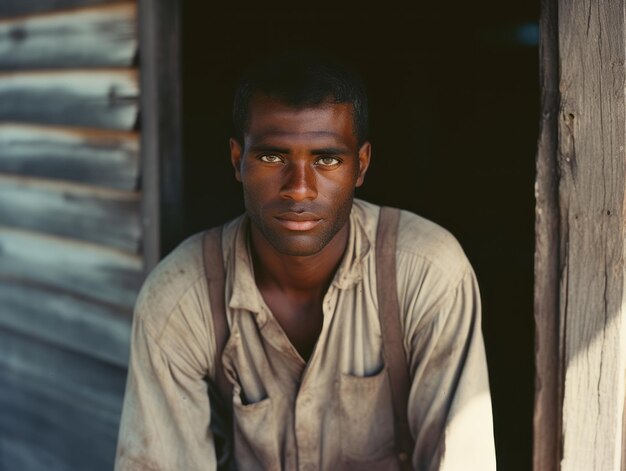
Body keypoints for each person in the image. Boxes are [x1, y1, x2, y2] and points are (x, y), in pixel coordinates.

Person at [115, 51, 496, 470]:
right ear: (236, 160)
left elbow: (462, 459)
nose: (299, 189)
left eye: (327, 159)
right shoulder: (180, 298)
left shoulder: (425, 271)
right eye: (272, 157)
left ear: (361, 165)